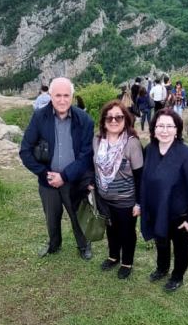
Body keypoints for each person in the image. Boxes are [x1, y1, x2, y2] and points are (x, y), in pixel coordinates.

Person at [19, 77, 94, 260]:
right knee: (51, 216)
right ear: (50, 96)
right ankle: (54, 244)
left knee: (77, 215)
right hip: (48, 179)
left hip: (74, 179)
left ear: (72, 97)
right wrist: (44, 174)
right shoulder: (39, 117)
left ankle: (84, 245)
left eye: (66, 95)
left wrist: (65, 176)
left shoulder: (84, 120)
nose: (62, 100)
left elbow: (86, 155)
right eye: (58, 95)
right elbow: (25, 151)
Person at [140, 108, 188, 292]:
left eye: (169, 126)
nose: (164, 130)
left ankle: (177, 276)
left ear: (177, 129)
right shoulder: (149, 150)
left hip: (180, 214)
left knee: (180, 246)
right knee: (160, 241)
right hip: (156, 209)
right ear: (154, 129)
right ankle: (162, 268)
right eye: (160, 126)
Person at [92, 101, 144, 279]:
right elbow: (94, 167)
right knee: (111, 229)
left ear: (125, 120)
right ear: (103, 120)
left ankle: (126, 262)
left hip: (126, 200)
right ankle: (113, 257)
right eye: (109, 117)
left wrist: (139, 203)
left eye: (118, 117)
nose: (114, 121)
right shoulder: (97, 140)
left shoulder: (132, 143)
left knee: (127, 233)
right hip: (103, 198)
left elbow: (140, 176)